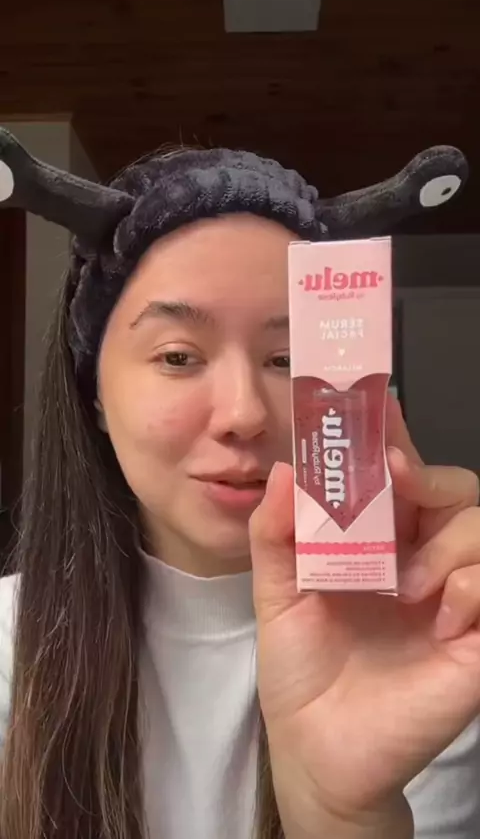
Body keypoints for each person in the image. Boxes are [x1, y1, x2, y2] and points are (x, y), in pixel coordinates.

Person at [0, 127, 478, 839]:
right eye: (177, 357)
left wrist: (347, 815)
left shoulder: (419, 644)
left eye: (287, 358)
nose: (244, 414)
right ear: (93, 391)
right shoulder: (10, 647)